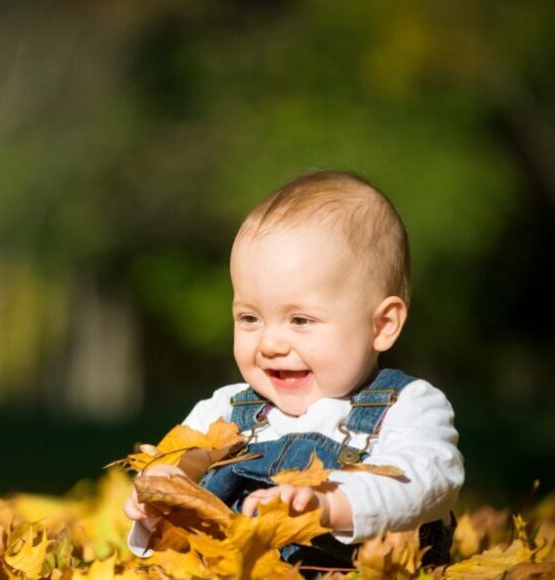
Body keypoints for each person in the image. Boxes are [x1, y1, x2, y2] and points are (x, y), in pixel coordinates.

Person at [123, 170, 463, 567]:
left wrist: (332, 503)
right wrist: (168, 485)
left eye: (300, 320)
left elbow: (427, 481)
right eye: (250, 318)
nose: (269, 344)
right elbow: (187, 453)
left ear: (381, 325)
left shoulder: (408, 406)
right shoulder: (229, 408)